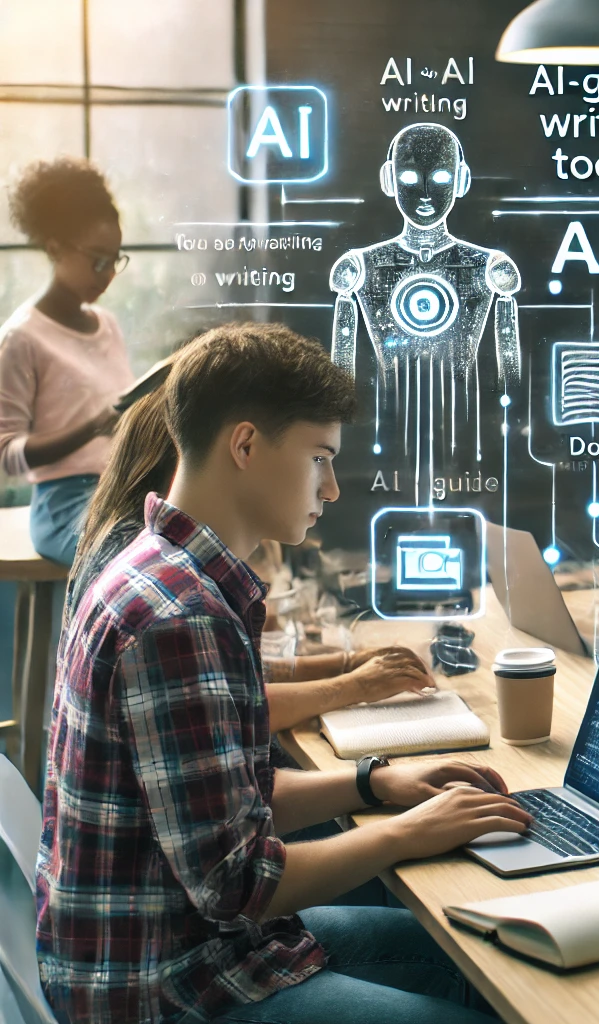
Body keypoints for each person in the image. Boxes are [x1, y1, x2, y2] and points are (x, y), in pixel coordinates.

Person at [38, 323, 533, 1024]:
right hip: (164, 985)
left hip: (182, 949)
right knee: (481, 983)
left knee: (485, 955)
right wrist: (412, 829)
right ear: (245, 445)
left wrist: (373, 782)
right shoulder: (179, 615)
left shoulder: (170, 574)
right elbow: (236, 884)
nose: (330, 487)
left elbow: (220, 798)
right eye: (319, 458)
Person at [68, 386, 435, 732]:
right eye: (316, 458)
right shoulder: (171, 597)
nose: (331, 490)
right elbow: (227, 707)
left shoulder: (150, 553)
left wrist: (349, 663)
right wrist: (354, 685)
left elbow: (234, 673)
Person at [0, 157, 136, 565]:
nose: (108, 273)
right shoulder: (22, 337)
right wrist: (94, 426)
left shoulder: (107, 325)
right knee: (134, 555)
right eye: (97, 259)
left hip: (123, 488)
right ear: (55, 248)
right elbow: (6, 453)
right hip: (63, 502)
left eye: (115, 259)